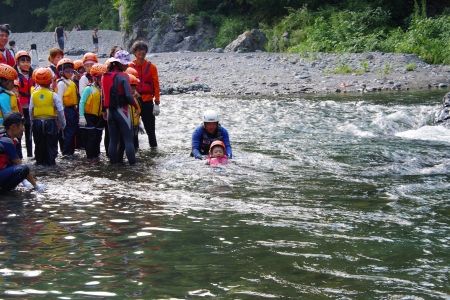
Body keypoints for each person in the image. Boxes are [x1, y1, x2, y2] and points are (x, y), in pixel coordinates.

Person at [102, 50, 139, 165]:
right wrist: (136, 106)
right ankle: (133, 166)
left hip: (110, 112)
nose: (127, 65)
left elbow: (104, 95)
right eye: (125, 63)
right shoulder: (124, 76)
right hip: (122, 110)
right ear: (119, 63)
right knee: (128, 140)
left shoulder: (104, 76)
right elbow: (128, 95)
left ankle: (113, 166)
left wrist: (104, 110)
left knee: (113, 140)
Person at [0, 112, 46, 193]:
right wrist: (35, 185)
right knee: (23, 169)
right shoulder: (6, 141)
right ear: (13, 127)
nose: (24, 128)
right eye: (21, 125)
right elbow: (20, 165)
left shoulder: (4, 136)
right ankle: (4, 192)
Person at [29, 67, 66, 166]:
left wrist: (32, 122)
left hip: (37, 123)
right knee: (51, 143)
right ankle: (51, 163)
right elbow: (60, 110)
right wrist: (63, 124)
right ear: (50, 81)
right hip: (50, 123)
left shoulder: (34, 95)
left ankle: (40, 162)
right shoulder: (53, 94)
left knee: (39, 144)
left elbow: (30, 110)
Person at [131, 40, 160, 150]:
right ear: (134, 52)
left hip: (147, 101)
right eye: (138, 50)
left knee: (150, 128)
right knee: (134, 127)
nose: (141, 52)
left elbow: (156, 85)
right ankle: (135, 149)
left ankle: (153, 148)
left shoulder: (152, 67)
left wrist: (157, 102)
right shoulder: (130, 66)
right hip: (134, 101)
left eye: (143, 50)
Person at [78, 63, 106, 162]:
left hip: (100, 117)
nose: (102, 81)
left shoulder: (104, 90)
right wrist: (81, 116)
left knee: (98, 137)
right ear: (95, 78)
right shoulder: (88, 89)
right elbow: (82, 102)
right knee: (91, 137)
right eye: (100, 79)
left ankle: (96, 156)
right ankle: (89, 157)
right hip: (89, 116)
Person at [14, 51, 35, 158]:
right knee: (18, 132)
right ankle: (19, 156)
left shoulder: (34, 75)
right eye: (23, 61)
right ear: (17, 63)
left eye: (27, 61)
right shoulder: (16, 76)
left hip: (30, 107)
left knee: (29, 132)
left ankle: (30, 155)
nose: (26, 63)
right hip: (20, 108)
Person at [56, 58, 78, 158]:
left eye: (71, 71)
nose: (70, 73)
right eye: (67, 71)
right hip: (65, 110)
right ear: (61, 72)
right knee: (68, 131)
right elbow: (59, 100)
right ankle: (67, 152)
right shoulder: (61, 83)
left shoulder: (71, 82)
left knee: (73, 131)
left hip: (72, 109)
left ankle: (71, 151)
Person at [0, 63, 20, 128]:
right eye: (12, 81)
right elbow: (8, 116)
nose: (13, 84)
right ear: (3, 81)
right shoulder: (4, 96)